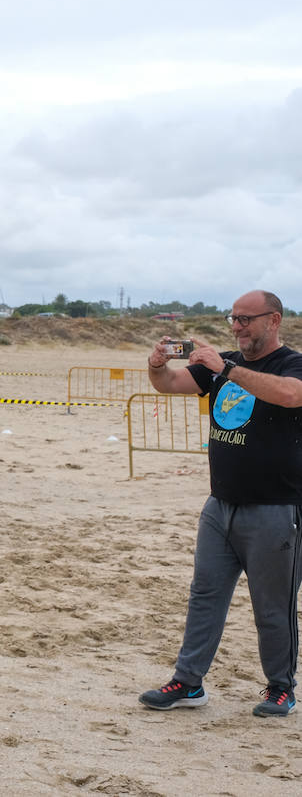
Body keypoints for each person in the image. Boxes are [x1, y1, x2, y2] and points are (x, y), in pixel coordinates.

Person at [137, 290, 302, 719]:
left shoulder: (291, 364)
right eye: (234, 319)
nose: (237, 327)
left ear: (274, 320)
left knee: (273, 604)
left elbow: (289, 395)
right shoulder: (222, 361)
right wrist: (158, 365)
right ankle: (188, 682)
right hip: (220, 505)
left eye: (247, 319)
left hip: (275, 506)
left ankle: (281, 688)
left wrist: (227, 369)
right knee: (204, 595)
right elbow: (170, 385)